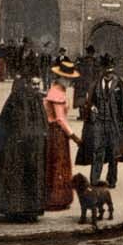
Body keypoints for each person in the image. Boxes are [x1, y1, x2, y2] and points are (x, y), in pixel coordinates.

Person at [0, 74, 48, 221]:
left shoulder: (36, 99)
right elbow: (15, 124)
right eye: (34, 84)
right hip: (16, 148)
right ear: (27, 84)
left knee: (31, 178)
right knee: (16, 179)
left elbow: (42, 123)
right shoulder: (18, 100)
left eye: (38, 85)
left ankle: (30, 211)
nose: (37, 88)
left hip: (33, 147)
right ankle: (14, 210)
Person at [75, 53, 123, 187]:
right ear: (103, 70)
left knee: (114, 153)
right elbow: (90, 102)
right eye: (107, 71)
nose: (109, 74)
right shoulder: (96, 84)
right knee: (98, 151)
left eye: (111, 71)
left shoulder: (119, 83)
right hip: (99, 123)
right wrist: (92, 108)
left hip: (114, 123)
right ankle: (94, 180)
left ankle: (112, 180)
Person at [44, 57, 81, 210]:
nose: (69, 82)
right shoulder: (56, 93)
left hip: (56, 132)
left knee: (57, 163)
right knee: (58, 164)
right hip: (56, 132)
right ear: (60, 78)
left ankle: (57, 197)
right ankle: (56, 199)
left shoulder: (58, 89)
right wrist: (73, 136)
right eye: (67, 79)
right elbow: (60, 119)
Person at [73, 45, 98, 120]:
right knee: (91, 99)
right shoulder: (95, 62)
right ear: (92, 53)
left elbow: (76, 71)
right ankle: (90, 115)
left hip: (82, 83)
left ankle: (82, 115)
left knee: (81, 99)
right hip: (91, 83)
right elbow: (97, 73)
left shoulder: (82, 61)